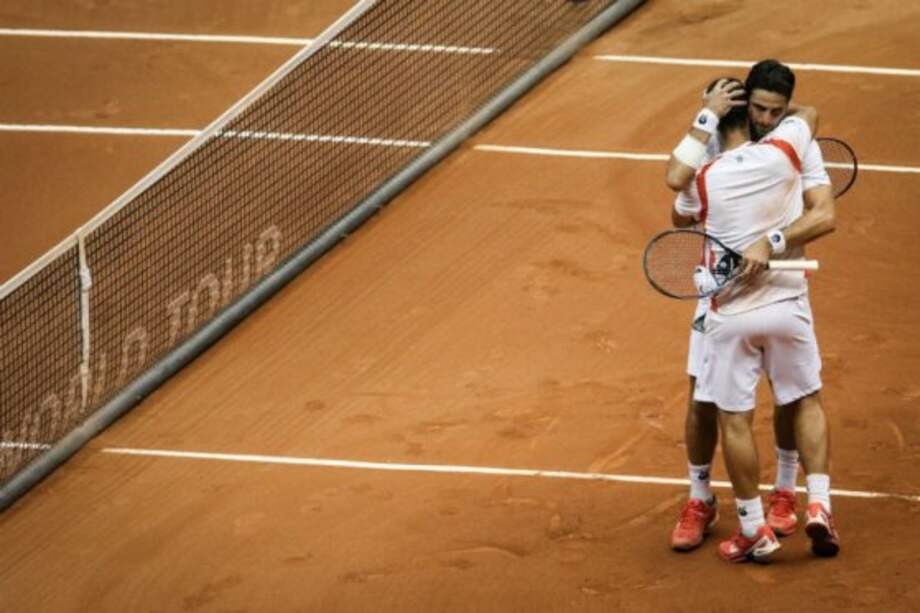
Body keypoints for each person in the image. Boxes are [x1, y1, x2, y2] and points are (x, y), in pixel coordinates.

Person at [665, 61, 836, 552]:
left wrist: (768, 241)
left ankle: (783, 495)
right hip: (718, 295)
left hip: (778, 289)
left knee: (791, 396)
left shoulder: (796, 142)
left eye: (775, 110)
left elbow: (825, 213)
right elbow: (677, 213)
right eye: (758, 108)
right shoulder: (716, 144)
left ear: (785, 109)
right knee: (702, 397)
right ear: (741, 107)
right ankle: (700, 498)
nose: (766, 117)